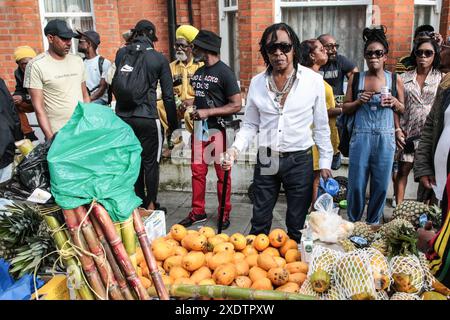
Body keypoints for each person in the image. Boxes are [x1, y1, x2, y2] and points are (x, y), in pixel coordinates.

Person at [222, 23, 333, 242]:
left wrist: (325, 163)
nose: (279, 53)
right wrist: (234, 150)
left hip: (299, 158)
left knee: (296, 223)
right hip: (267, 156)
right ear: (265, 51)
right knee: (259, 221)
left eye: (285, 46)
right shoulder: (256, 83)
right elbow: (251, 124)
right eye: (272, 48)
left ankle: (293, 271)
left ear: (294, 49)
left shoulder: (313, 82)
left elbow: (321, 126)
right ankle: (257, 270)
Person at [177, 29, 241, 229]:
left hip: (219, 130)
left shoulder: (225, 73)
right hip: (198, 130)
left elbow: (236, 105)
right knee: (197, 173)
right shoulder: (198, 72)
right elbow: (201, 98)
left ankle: (224, 213)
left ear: (206, 49)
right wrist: (188, 104)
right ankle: (198, 212)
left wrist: (207, 113)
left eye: (194, 46)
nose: (191, 49)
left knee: (223, 174)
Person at [113, 19, 178, 212]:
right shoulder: (158, 59)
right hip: (147, 117)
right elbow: (168, 96)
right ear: (151, 36)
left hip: (123, 118)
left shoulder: (121, 53)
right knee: (150, 163)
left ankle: (137, 204)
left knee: (132, 162)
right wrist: (173, 126)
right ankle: (150, 206)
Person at [343, 26, 405, 224]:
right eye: (369, 53)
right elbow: (345, 108)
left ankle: (373, 225)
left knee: (380, 185)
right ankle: (353, 223)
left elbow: (403, 109)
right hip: (361, 137)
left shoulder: (395, 79)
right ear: (364, 56)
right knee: (356, 184)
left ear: (385, 56)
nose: (373, 57)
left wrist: (395, 102)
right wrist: (359, 101)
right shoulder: (356, 78)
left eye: (378, 53)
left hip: (386, 138)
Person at [394, 38, 442, 205]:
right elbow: (396, 106)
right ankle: (399, 210)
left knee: (429, 174)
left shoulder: (442, 78)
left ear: (434, 56)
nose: (423, 56)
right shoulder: (403, 78)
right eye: (419, 52)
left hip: (431, 136)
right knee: (403, 170)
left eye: (428, 53)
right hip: (408, 132)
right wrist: (397, 129)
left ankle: (426, 213)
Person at [24, 19, 90, 139]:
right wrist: (50, 138)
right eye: (64, 38)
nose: (69, 43)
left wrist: (89, 125)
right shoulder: (36, 65)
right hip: (58, 135)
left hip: (82, 131)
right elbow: (39, 108)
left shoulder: (77, 61)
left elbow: (85, 95)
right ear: (50, 38)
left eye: (70, 39)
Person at [414, 73, 450, 287]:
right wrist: (425, 166)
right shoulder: (447, 83)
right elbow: (431, 127)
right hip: (442, 184)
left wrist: (430, 242)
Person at [299, 39, 341, 204]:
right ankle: (313, 216)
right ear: (312, 56)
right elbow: (321, 112)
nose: (327, 52)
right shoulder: (311, 80)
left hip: (321, 137)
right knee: (316, 181)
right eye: (321, 49)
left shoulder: (316, 78)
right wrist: (345, 109)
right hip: (314, 140)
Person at [157, 24, 203, 157]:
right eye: (177, 45)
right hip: (176, 105)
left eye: (183, 45)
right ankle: (176, 145)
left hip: (194, 104)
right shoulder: (170, 66)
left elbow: (207, 92)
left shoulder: (200, 66)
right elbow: (163, 88)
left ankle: (198, 146)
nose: (179, 48)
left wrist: (192, 101)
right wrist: (176, 102)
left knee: (190, 114)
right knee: (159, 106)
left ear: (191, 47)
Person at [77, 30, 111, 105]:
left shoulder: (104, 63)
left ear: (89, 44)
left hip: (99, 102)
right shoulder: (80, 63)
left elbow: (102, 89)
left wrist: (87, 101)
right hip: (85, 100)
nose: (78, 43)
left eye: (80, 41)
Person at [12, 46, 38, 142]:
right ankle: (29, 135)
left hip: (46, 102)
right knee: (13, 104)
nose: (27, 66)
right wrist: (15, 97)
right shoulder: (18, 73)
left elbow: (42, 94)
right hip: (31, 101)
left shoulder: (41, 70)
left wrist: (22, 97)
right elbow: (19, 89)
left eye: (30, 62)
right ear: (18, 64)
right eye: (24, 63)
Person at [0, 77, 22, 183]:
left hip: (5, 138)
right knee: (4, 189)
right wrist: (18, 137)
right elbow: (12, 111)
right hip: (5, 140)